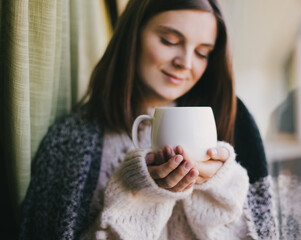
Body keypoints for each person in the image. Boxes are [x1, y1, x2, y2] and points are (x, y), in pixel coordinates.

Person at [19, 0, 277, 239]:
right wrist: (135, 192)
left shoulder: (234, 123)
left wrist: (220, 184)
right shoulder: (70, 140)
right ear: (133, 35)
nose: (185, 63)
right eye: (169, 40)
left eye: (202, 52)